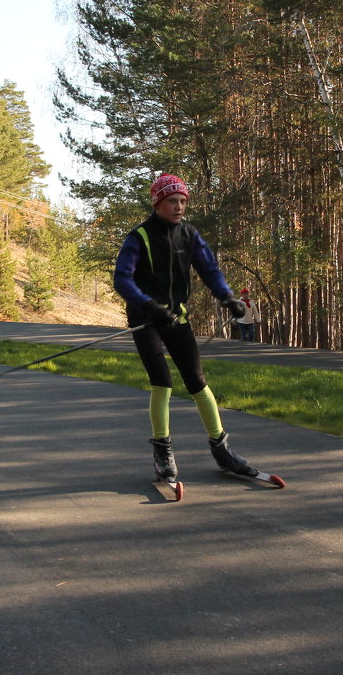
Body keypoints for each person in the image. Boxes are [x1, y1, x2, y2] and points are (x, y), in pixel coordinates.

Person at [113, 173, 258, 483]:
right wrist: (149, 306)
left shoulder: (189, 235)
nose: (179, 207)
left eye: (182, 201)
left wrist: (228, 297)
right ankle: (162, 453)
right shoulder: (139, 237)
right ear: (158, 203)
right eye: (172, 201)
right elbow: (122, 279)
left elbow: (210, 270)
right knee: (162, 382)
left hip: (176, 317)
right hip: (146, 318)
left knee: (197, 381)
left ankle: (222, 449)